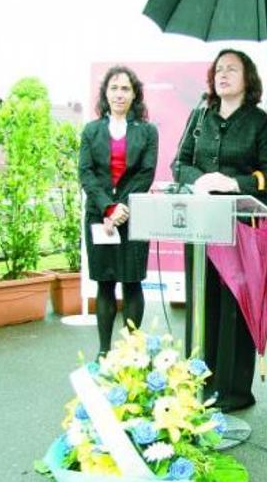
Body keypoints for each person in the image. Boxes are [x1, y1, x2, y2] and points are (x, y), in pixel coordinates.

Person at [171, 48, 267, 413]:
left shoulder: (260, 123)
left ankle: (233, 390)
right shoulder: (199, 116)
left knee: (234, 307)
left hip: (240, 229)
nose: (223, 75)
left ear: (247, 78)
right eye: (219, 69)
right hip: (200, 225)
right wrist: (200, 179)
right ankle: (197, 381)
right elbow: (179, 164)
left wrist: (234, 183)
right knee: (202, 304)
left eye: (232, 69)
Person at [79, 66, 158, 358]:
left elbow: (145, 173)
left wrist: (122, 207)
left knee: (132, 281)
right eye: (114, 88)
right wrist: (108, 207)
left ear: (134, 93)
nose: (119, 94)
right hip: (99, 217)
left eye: (125, 88)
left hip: (134, 216)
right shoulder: (91, 130)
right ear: (105, 93)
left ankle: (133, 351)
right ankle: (103, 351)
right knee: (105, 282)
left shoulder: (148, 131)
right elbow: (86, 174)